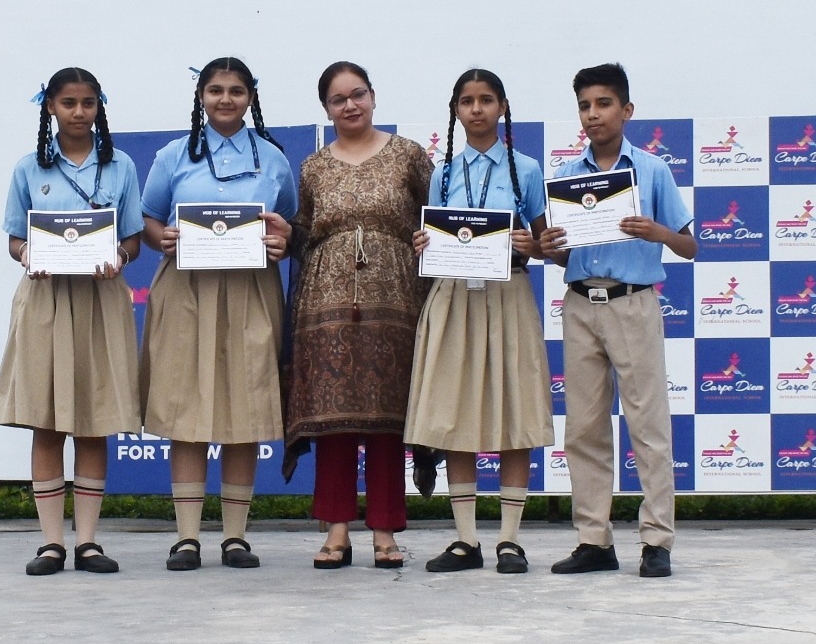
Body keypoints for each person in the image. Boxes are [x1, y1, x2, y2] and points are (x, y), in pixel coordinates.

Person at [540, 62, 697, 578]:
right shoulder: (565, 177)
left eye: (604, 103)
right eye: (585, 105)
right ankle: (594, 540)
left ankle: (656, 541)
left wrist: (657, 232)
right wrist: (548, 250)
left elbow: (691, 246)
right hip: (580, 303)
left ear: (627, 110)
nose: (593, 114)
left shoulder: (652, 170)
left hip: (633, 302)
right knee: (584, 428)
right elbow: (565, 256)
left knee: (647, 425)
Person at [141, 57, 295, 571]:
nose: (225, 99)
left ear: (251, 96)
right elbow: (149, 219)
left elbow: (288, 222)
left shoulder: (272, 158)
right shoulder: (172, 155)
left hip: (251, 291)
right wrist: (157, 238)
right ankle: (187, 537)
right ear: (200, 97)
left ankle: (235, 537)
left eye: (235, 90)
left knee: (244, 410)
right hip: (186, 289)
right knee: (186, 411)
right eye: (215, 90)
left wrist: (282, 240)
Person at [0, 67, 144, 576]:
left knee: (95, 420)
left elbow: (133, 239)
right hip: (46, 300)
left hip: (101, 300)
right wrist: (27, 253)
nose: (79, 112)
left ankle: (88, 542)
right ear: (50, 108)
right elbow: (15, 238)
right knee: (47, 420)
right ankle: (51, 543)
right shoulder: (28, 168)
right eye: (68, 103)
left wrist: (120, 258)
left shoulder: (120, 164)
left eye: (88, 103)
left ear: (100, 106)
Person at [284, 61, 433, 569]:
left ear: (373, 97)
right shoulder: (313, 167)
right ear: (325, 108)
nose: (350, 105)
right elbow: (301, 233)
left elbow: (440, 220)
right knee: (334, 420)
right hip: (324, 305)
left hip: (396, 302)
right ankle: (338, 528)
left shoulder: (409, 156)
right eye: (337, 99)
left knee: (389, 417)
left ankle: (386, 531)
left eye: (358, 94)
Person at [404, 69, 553, 574]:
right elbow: (433, 235)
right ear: (455, 111)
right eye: (467, 101)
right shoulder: (443, 171)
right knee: (456, 413)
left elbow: (546, 243)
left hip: (508, 294)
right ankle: (466, 541)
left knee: (514, 415)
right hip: (453, 297)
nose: (477, 109)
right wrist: (424, 243)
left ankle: (509, 540)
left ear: (503, 107)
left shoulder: (527, 170)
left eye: (486, 100)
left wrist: (532, 246)